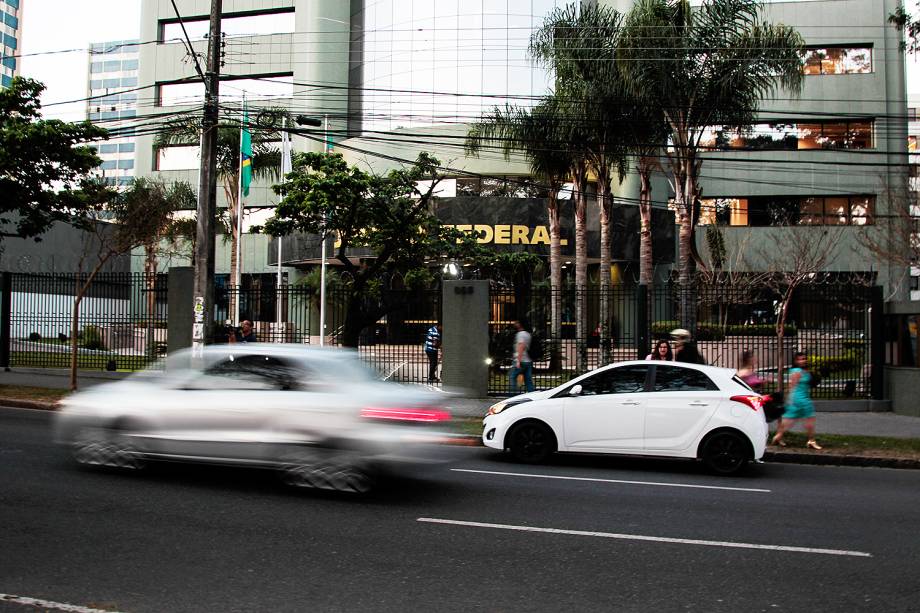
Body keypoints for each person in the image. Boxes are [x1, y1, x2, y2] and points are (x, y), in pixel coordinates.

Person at [771, 352, 822, 450]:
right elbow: (792, 385)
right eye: (800, 359)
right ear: (795, 361)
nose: (803, 361)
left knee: (788, 420)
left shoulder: (800, 370)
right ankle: (811, 441)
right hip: (801, 399)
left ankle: (778, 437)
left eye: (804, 358)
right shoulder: (798, 371)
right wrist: (788, 398)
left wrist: (789, 399)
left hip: (797, 398)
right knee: (809, 419)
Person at [509, 320, 534, 393]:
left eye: (517, 322)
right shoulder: (528, 334)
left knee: (512, 377)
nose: (515, 324)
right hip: (528, 361)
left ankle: (514, 395)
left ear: (520, 324)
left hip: (521, 360)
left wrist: (518, 361)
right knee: (528, 380)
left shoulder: (520, 334)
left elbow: (521, 346)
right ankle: (532, 394)